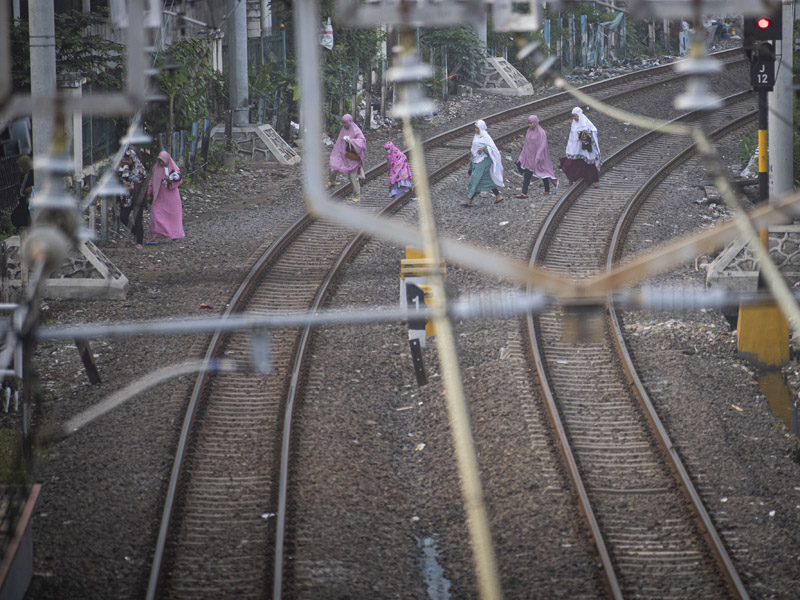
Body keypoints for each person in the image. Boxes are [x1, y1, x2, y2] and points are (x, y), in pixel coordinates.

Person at [515, 115, 559, 199]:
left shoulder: (541, 132)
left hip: (539, 157)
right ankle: (524, 192)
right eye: (528, 123)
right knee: (527, 174)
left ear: (535, 123)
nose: (529, 125)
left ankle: (547, 190)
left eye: (531, 123)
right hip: (530, 157)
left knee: (542, 173)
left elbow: (542, 145)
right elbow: (526, 144)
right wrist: (522, 156)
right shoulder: (528, 131)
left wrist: (538, 157)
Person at [146, 150, 185, 243]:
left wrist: (170, 181)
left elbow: (179, 180)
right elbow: (152, 181)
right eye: (159, 161)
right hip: (159, 196)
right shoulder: (156, 168)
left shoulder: (173, 168)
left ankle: (174, 236)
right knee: (155, 215)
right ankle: (155, 235)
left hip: (171, 197)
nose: (161, 163)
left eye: (162, 161)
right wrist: (148, 193)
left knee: (173, 217)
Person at [328, 114, 366, 204]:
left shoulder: (356, 130)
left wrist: (351, 141)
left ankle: (356, 198)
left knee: (353, 177)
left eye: (345, 122)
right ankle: (332, 181)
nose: (344, 124)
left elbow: (362, 141)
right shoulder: (343, 130)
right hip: (342, 154)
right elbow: (339, 142)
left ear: (349, 122)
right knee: (333, 165)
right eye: (343, 122)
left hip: (352, 157)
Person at [464, 120, 504, 207]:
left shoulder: (486, 137)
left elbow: (493, 149)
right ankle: (498, 196)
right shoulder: (477, 136)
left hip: (484, 160)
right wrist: (472, 153)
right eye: (475, 128)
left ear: (481, 128)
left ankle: (469, 199)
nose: (475, 130)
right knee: (486, 178)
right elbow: (474, 147)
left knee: (476, 179)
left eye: (477, 128)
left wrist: (484, 149)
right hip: (477, 160)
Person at [559, 107, 601, 188]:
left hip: (585, 148)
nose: (574, 118)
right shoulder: (574, 124)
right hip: (576, 148)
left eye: (575, 116)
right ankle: (571, 179)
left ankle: (596, 180)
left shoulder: (586, 122)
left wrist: (585, 135)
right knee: (572, 164)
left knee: (589, 164)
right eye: (573, 116)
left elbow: (594, 131)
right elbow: (572, 136)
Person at [118, 149, 147, 249]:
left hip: (137, 197)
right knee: (123, 217)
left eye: (128, 160)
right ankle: (135, 232)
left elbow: (143, 183)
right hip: (126, 197)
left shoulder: (140, 169)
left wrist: (133, 187)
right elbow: (118, 177)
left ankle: (140, 241)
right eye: (125, 159)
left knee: (138, 218)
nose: (126, 161)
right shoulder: (123, 167)